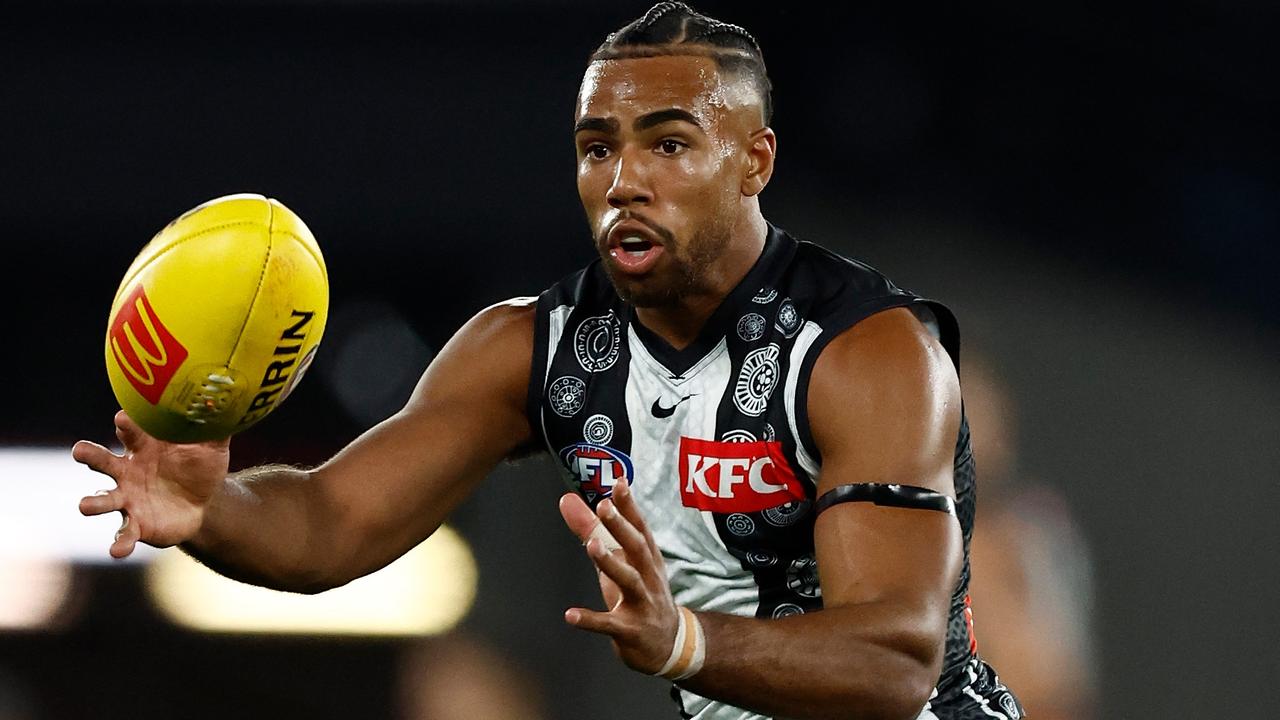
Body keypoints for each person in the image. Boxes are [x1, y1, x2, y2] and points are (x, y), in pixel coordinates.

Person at [73, 4, 1024, 719]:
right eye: (596, 148)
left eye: (669, 144)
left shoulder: (867, 351)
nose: (624, 182)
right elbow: (330, 524)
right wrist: (212, 508)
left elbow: (898, 661)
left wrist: (685, 641)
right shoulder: (533, 348)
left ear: (755, 162)